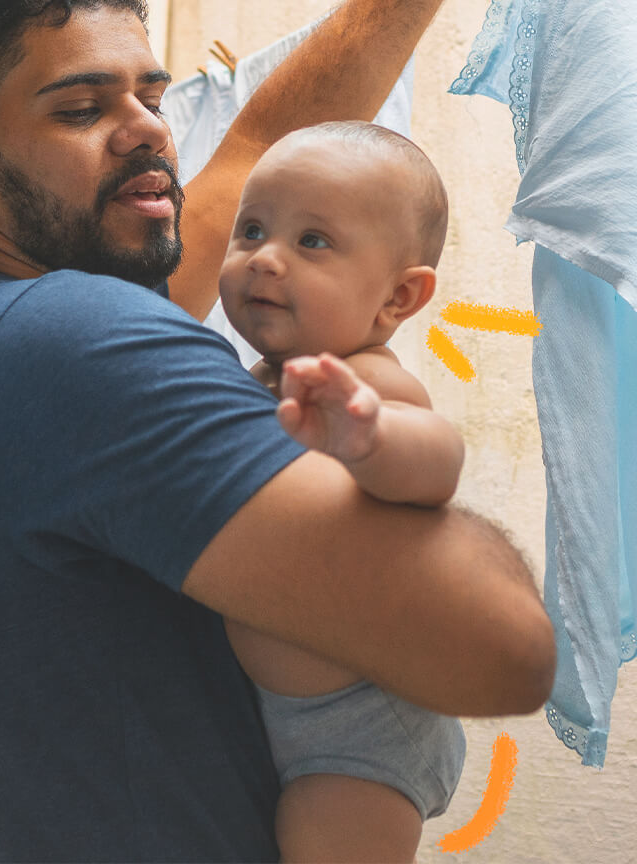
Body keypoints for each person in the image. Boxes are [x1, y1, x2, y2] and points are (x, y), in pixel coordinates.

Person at [0, 0, 561, 860]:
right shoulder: (80, 340)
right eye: (82, 109)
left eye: (150, 96)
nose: (150, 131)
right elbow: (506, 654)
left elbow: (259, 145)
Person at [219, 121, 470, 863]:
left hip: (360, 728)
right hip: (276, 714)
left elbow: (440, 462)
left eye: (313, 242)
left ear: (398, 297)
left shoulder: (369, 383)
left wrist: (371, 438)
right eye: (253, 229)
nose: (266, 258)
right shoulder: (245, 381)